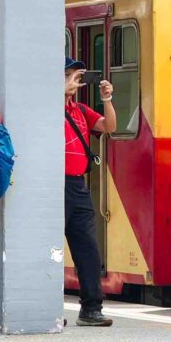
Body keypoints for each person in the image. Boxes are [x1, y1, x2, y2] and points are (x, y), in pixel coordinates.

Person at [62, 59, 113, 327]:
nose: (74, 81)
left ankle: (91, 308)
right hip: (53, 185)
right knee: (50, 248)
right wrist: (60, 90)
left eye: (76, 76)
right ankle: (45, 306)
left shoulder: (80, 110)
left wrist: (107, 99)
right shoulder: (48, 108)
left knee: (88, 248)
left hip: (77, 185)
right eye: (68, 76)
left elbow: (109, 126)